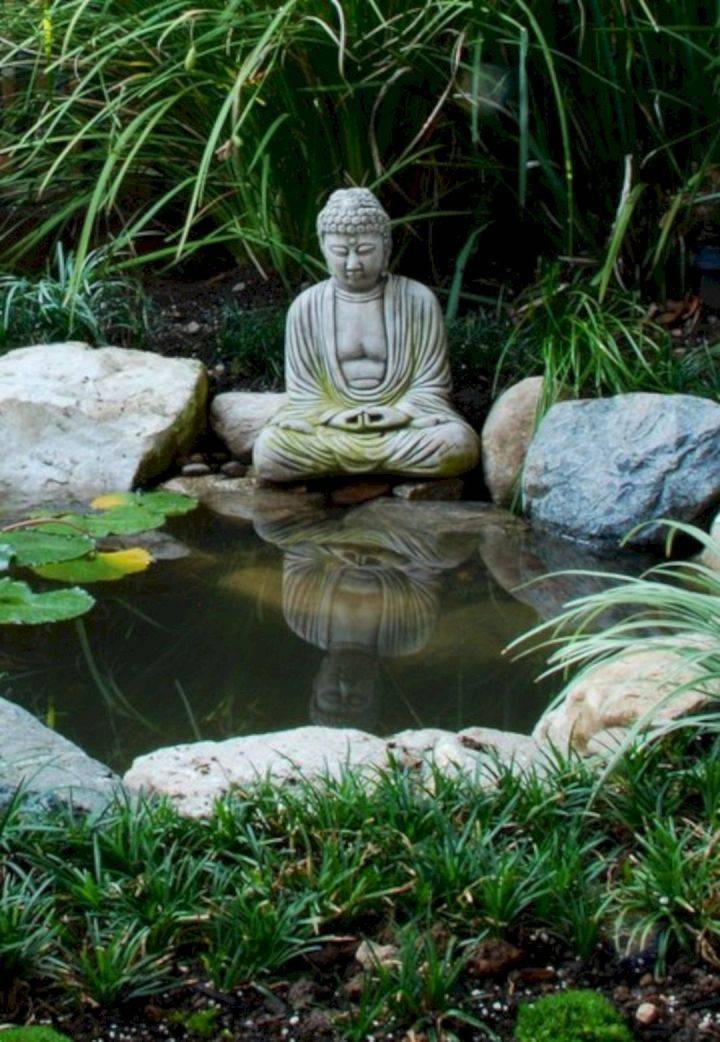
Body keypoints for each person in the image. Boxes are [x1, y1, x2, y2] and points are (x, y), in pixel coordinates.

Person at [253, 187, 480, 481]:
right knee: (270, 450)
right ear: (323, 247)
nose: (353, 264)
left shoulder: (417, 300)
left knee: (456, 445)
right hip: (333, 425)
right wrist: (334, 415)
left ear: (386, 247)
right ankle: (385, 466)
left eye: (364, 251)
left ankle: (345, 468)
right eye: (340, 252)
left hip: (402, 423)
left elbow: (431, 385)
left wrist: (400, 413)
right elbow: (304, 395)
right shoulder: (306, 307)